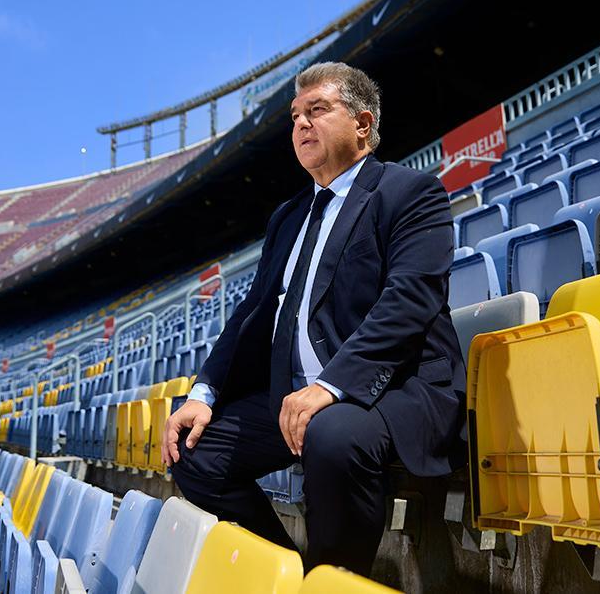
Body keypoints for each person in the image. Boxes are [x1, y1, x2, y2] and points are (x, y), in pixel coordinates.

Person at [162, 61, 465, 575]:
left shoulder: (411, 193)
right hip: (297, 396)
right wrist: (203, 393)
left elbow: (410, 300)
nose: (301, 123)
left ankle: (337, 579)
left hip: (390, 392)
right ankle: (298, 576)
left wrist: (332, 387)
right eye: (295, 115)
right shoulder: (288, 216)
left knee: (331, 433)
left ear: (363, 125)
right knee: (192, 450)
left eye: (317, 110)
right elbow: (252, 313)